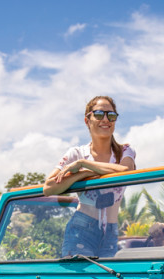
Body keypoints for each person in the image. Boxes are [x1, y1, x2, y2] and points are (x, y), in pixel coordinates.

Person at [43, 95, 136, 258]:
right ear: (87, 120)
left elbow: (125, 172)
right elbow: (49, 187)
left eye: (111, 115)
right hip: (81, 230)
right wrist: (83, 174)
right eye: (99, 114)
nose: (105, 119)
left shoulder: (125, 151)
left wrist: (85, 165)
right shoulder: (77, 153)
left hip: (111, 233)